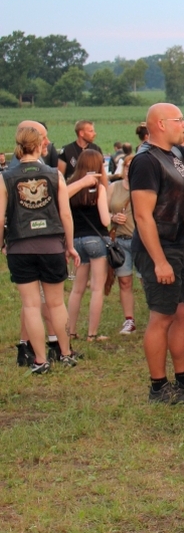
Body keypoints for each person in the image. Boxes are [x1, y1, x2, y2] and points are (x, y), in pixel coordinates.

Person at [131, 103, 184, 405]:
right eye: (178, 120)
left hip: (178, 245)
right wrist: (159, 261)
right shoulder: (146, 161)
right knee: (162, 315)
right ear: (159, 124)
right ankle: (158, 387)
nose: (183, 124)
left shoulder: (175, 154)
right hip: (160, 246)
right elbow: (142, 215)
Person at [2, 121, 81, 373]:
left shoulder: (5, 177)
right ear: (38, 146)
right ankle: (65, 353)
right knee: (56, 303)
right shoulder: (54, 174)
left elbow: (0, 217)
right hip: (51, 246)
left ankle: (39, 360)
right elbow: (65, 215)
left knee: (31, 305)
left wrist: (2, 243)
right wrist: (70, 245)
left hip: (20, 246)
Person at [65, 148, 112, 341]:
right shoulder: (98, 189)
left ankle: (70, 330)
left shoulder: (70, 186)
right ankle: (92, 334)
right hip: (96, 239)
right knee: (97, 288)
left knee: (77, 289)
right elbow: (105, 220)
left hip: (76, 240)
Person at [109, 154, 137, 334]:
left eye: (132, 167)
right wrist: (112, 217)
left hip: (140, 240)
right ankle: (129, 320)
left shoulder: (144, 186)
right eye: (127, 166)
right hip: (121, 239)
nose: (129, 170)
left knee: (146, 280)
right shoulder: (114, 187)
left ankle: (155, 316)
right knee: (124, 281)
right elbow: (102, 211)